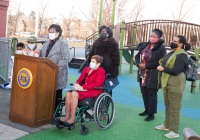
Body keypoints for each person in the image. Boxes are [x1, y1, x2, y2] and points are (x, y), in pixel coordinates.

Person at [54, 55, 105, 127]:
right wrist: (77, 85)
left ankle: (72, 118)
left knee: (74, 94)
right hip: (83, 89)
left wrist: (82, 87)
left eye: (93, 62)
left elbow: (97, 84)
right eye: (91, 61)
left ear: (98, 64)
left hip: (94, 91)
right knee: (68, 93)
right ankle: (67, 116)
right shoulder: (86, 69)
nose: (91, 63)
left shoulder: (101, 71)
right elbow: (80, 79)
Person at [156, 35, 191, 138]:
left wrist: (163, 69)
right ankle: (167, 125)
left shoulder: (182, 55)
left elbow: (176, 70)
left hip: (176, 82)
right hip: (167, 81)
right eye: (172, 40)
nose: (172, 42)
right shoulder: (172, 52)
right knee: (168, 105)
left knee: (175, 107)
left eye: (175, 41)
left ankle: (174, 131)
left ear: (181, 44)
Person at [135, 29, 166, 121]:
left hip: (153, 73)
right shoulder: (145, 44)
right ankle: (147, 109)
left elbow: (159, 62)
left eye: (154, 36)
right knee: (144, 92)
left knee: (151, 93)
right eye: (151, 35)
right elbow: (137, 56)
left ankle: (151, 114)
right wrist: (138, 64)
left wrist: (146, 66)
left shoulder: (161, 48)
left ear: (158, 38)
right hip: (142, 72)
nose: (151, 38)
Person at [40, 24, 70, 117]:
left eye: (53, 32)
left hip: (58, 74)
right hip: (46, 74)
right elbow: (42, 57)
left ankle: (56, 114)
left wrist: (54, 68)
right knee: (46, 93)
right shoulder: (46, 44)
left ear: (58, 33)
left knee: (57, 94)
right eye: (50, 31)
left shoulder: (63, 44)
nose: (51, 33)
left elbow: (66, 58)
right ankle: (46, 113)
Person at [88, 25, 120, 95]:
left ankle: (107, 103)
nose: (101, 33)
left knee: (106, 88)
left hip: (108, 70)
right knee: (95, 86)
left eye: (103, 31)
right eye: (101, 32)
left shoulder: (113, 44)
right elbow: (91, 54)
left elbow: (116, 59)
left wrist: (113, 74)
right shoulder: (97, 43)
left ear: (108, 33)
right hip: (96, 68)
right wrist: (89, 66)